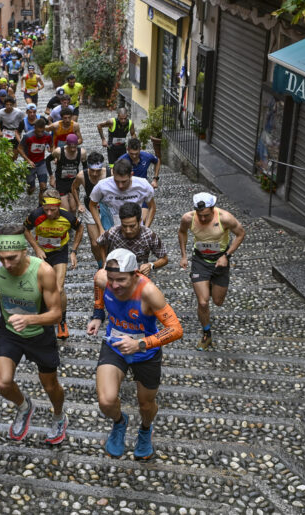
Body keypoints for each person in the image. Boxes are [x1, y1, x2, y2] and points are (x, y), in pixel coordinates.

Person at [86, 248, 183, 459]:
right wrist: (97, 314)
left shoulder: (149, 292)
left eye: (121, 280)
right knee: (106, 401)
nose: (114, 285)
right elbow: (98, 283)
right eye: (111, 279)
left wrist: (140, 344)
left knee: (146, 404)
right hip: (115, 345)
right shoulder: (103, 279)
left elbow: (176, 328)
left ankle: (145, 430)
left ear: (135, 274)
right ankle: (120, 422)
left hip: (145, 353)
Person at [0, 225, 67, 444]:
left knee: (50, 385)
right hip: (9, 331)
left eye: (12, 258)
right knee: (3, 383)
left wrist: (29, 319)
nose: (6, 264)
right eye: (2, 258)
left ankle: (58, 416)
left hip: (39, 334)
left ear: (24, 251)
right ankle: (24, 406)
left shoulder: (43, 272)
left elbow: (57, 314)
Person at [177, 192, 246, 351]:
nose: (202, 219)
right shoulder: (188, 218)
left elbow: (241, 233)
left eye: (206, 215)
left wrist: (226, 256)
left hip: (220, 261)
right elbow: (182, 232)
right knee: (203, 301)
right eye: (199, 215)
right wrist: (183, 255)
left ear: (213, 209)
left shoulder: (225, 218)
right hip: (200, 261)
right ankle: (206, 333)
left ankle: (208, 283)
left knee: (218, 301)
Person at [24, 189, 83, 339]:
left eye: (53, 209)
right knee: (40, 287)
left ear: (58, 206)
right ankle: (42, 315)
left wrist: (74, 251)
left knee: (59, 288)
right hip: (42, 252)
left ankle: (61, 321)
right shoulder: (36, 215)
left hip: (59, 252)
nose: (49, 213)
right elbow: (25, 229)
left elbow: (80, 228)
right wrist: (36, 248)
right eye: (46, 209)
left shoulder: (67, 217)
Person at [93, 202, 168, 294]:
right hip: (116, 277)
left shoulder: (149, 236)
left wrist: (151, 265)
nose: (128, 230)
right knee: (99, 277)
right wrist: (105, 262)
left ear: (139, 221)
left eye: (132, 226)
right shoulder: (113, 233)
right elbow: (100, 243)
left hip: (138, 277)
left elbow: (164, 259)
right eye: (124, 226)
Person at [89, 158, 156, 238]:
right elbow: (92, 205)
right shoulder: (102, 186)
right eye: (116, 181)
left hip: (134, 226)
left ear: (131, 174)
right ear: (113, 173)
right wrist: (100, 228)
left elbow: (152, 207)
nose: (120, 186)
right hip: (112, 225)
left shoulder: (143, 185)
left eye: (124, 181)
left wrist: (146, 228)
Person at [72, 152, 108, 267]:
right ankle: (100, 264)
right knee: (95, 243)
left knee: (109, 240)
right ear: (88, 167)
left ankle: (110, 263)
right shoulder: (81, 176)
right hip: (90, 208)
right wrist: (78, 204)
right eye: (92, 170)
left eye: (98, 171)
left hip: (107, 208)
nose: (95, 174)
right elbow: (74, 188)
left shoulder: (109, 173)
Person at [18, 118, 53, 198]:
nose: (40, 134)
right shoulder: (27, 136)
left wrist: (52, 151)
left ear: (45, 128)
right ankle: (30, 189)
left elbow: (51, 145)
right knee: (31, 188)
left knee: (43, 187)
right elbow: (19, 148)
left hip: (41, 163)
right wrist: (28, 160)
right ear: (34, 128)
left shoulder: (47, 135)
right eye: (38, 131)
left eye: (42, 131)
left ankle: (40, 206)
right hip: (29, 164)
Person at [51, 134, 86, 212]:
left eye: (75, 146)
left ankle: (73, 223)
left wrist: (84, 180)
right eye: (71, 146)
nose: (73, 149)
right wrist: (51, 177)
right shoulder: (59, 151)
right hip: (61, 182)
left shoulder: (82, 152)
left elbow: (85, 168)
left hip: (73, 182)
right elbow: (47, 160)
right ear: (67, 144)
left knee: (73, 209)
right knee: (65, 209)